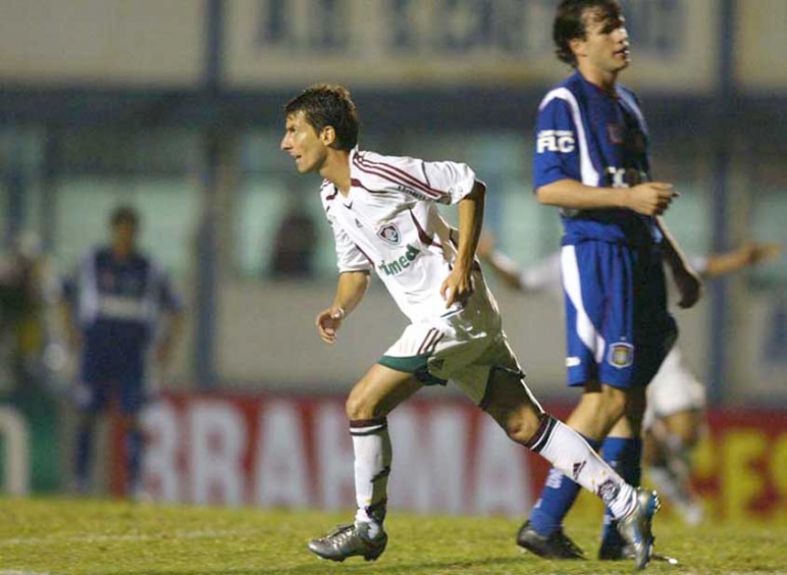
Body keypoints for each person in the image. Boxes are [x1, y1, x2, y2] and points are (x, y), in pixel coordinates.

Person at [280, 83, 660, 569]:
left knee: (362, 402)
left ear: (327, 134)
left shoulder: (378, 171)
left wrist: (461, 265)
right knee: (525, 424)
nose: (287, 143)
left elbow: (468, 185)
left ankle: (367, 527)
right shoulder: (332, 197)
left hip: (451, 311)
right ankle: (627, 500)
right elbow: (356, 270)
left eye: (295, 131)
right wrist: (338, 309)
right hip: (454, 318)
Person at [516, 0, 702, 562]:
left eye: (621, 24)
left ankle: (615, 539)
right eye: (607, 28)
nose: (622, 35)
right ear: (577, 43)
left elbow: (639, 191)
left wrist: (676, 262)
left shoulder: (629, 105)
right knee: (607, 395)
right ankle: (544, 522)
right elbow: (550, 189)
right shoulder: (564, 102)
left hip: (640, 257)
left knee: (635, 400)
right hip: (599, 259)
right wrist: (626, 199)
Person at [478, 237, 781, 526]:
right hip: (609, 363)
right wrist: (491, 256)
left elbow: (696, 267)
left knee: (685, 431)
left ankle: (666, 463)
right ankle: (683, 500)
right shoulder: (563, 262)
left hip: (656, 355)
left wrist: (742, 258)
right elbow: (519, 281)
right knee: (645, 441)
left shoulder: (635, 249)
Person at [62, 206, 184, 497]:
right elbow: (62, 293)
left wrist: (166, 345)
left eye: (131, 230)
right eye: (122, 229)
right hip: (97, 348)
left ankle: (135, 484)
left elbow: (177, 309)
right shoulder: (93, 261)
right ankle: (80, 481)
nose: (126, 236)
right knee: (88, 412)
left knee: (131, 415)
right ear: (113, 229)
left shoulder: (149, 268)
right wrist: (69, 331)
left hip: (133, 350)